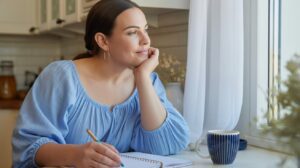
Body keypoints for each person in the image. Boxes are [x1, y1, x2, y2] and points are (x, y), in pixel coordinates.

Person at [12, 0, 190, 167]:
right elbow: (28, 146)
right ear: (103, 41)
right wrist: (76, 155)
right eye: (132, 32)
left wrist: (142, 77)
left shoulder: (148, 81)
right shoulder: (61, 76)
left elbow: (167, 145)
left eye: (146, 29)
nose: (146, 40)